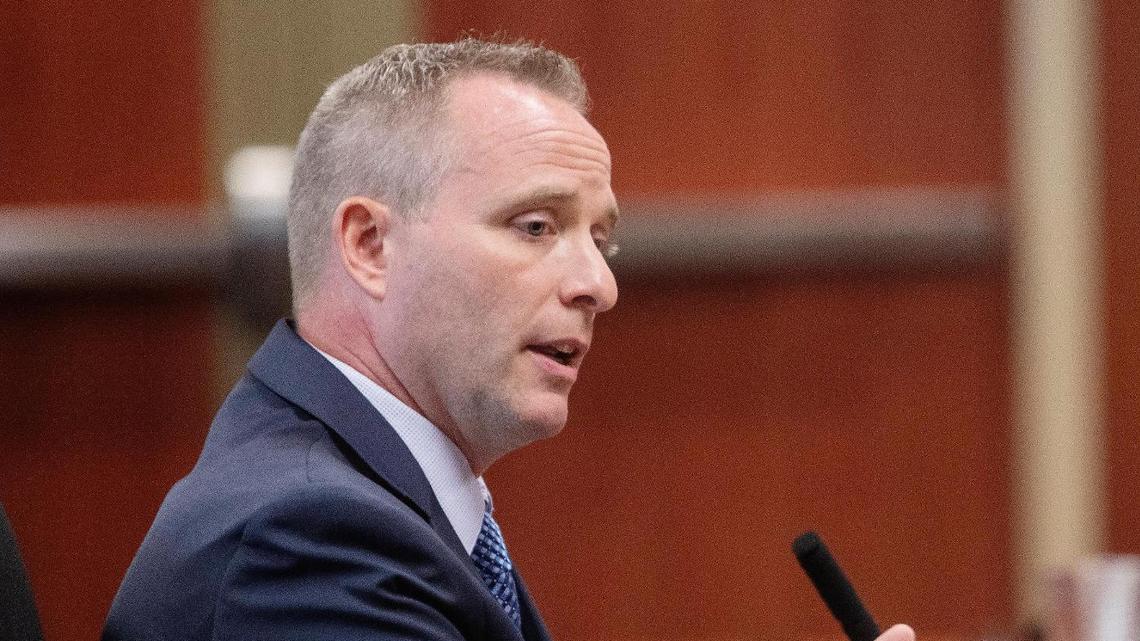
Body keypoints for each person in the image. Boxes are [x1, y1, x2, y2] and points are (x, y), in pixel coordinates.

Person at [103, 38, 917, 641]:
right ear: (369, 246)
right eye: (536, 226)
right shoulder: (306, 539)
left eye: (602, 239)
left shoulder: (369, 492)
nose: (598, 283)